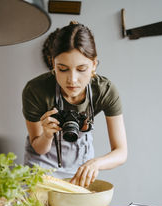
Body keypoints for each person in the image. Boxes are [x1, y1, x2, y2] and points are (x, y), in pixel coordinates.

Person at [22, 21, 127, 187]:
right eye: (63, 69)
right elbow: (39, 148)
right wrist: (47, 135)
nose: (72, 80)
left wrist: (95, 163)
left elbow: (121, 152)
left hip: (80, 169)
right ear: (53, 64)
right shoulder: (35, 90)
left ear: (94, 65)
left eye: (82, 69)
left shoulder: (105, 91)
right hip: (41, 169)